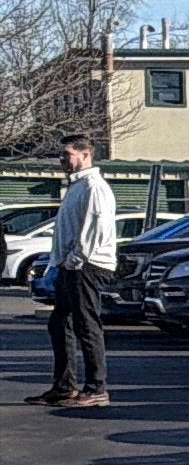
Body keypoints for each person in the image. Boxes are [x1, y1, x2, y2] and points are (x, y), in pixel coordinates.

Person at [36, 130, 116, 410]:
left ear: (85, 154)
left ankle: (96, 388)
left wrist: (75, 259)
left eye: (67, 154)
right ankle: (64, 387)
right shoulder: (76, 186)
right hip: (70, 266)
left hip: (87, 266)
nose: (62, 159)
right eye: (61, 154)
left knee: (86, 324)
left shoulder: (94, 186)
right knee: (60, 324)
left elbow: (95, 229)